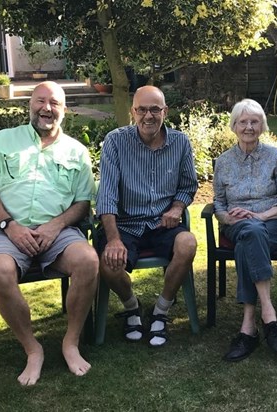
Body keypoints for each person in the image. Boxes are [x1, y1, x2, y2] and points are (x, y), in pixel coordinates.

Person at [0, 81, 98, 385]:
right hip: (5, 232)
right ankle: (32, 348)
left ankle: (70, 342)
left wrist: (56, 225)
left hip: (58, 233)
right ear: (30, 104)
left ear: (65, 110)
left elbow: (82, 202)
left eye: (54, 103)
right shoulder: (3, 141)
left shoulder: (76, 152)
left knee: (88, 261)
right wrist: (9, 227)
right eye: (41, 101)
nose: (46, 108)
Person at [96, 85, 198, 348]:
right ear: (133, 112)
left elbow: (188, 186)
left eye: (155, 109)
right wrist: (113, 240)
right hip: (125, 224)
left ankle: (161, 311)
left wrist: (176, 209)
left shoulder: (180, 143)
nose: (148, 116)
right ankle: (132, 307)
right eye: (142, 109)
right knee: (107, 261)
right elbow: (106, 195)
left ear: (165, 112)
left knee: (187, 244)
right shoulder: (116, 141)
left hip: (162, 223)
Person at [213, 98, 277, 362]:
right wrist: (226, 217)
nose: (248, 127)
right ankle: (270, 317)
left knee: (251, 236)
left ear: (262, 126)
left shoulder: (275, 157)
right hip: (236, 225)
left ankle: (249, 326)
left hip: (272, 222)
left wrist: (261, 215)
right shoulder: (223, 161)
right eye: (243, 122)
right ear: (234, 126)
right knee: (249, 231)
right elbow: (218, 202)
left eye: (254, 121)